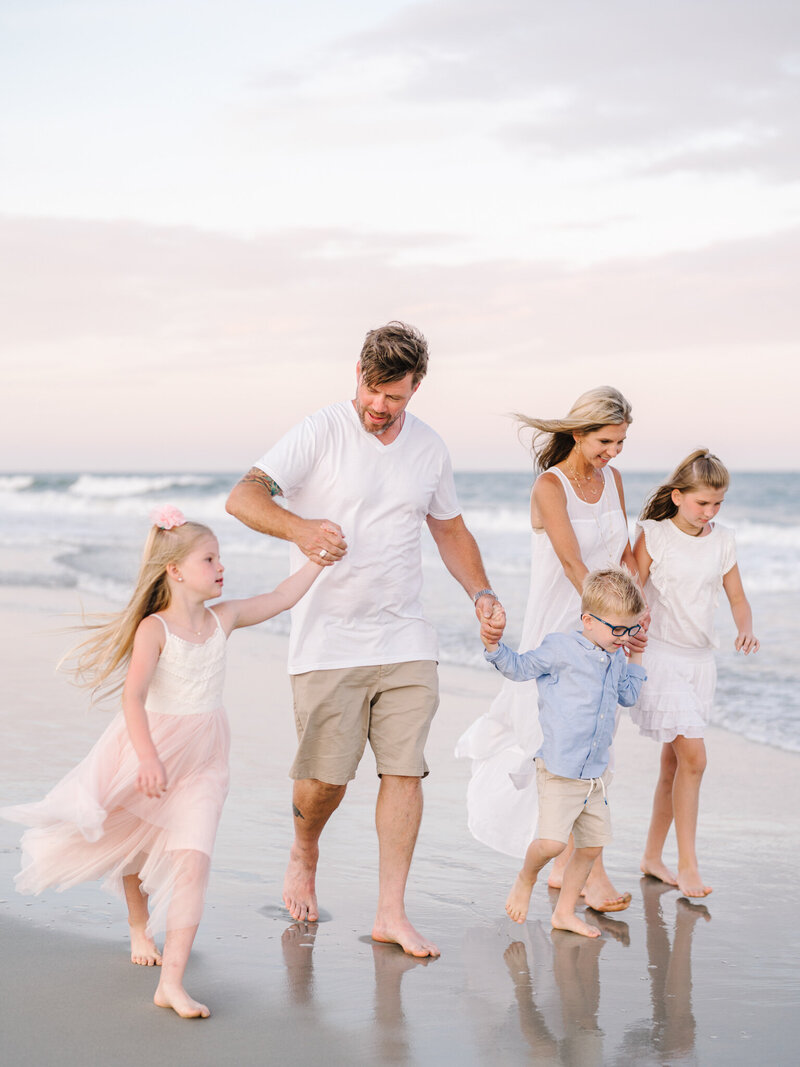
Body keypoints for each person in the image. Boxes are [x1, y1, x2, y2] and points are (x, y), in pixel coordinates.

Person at [225, 320, 503, 958]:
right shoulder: (321, 430)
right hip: (328, 639)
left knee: (405, 771)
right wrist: (298, 528)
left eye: (396, 397)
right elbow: (243, 496)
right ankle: (304, 848)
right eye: (374, 391)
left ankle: (390, 913)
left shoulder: (430, 447)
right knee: (325, 779)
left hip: (406, 633)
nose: (381, 407)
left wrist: (482, 593)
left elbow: (451, 530)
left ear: (416, 389)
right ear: (358, 374)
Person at [1, 507, 325, 1018]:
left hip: (205, 758)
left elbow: (281, 597)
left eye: (221, 558)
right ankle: (137, 924)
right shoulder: (154, 629)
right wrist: (148, 757)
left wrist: (319, 559)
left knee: (192, 861)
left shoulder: (227, 617)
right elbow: (132, 699)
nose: (221, 567)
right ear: (175, 570)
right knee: (133, 842)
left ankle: (171, 983)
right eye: (210, 558)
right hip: (146, 747)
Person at [456, 386, 644, 913]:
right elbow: (571, 565)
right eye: (606, 440)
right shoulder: (550, 486)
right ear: (579, 432)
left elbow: (623, 552)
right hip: (570, 624)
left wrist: (632, 617)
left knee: (597, 734)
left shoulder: (614, 479)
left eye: (622, 442)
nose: (614, 452)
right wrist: (603, 624)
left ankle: (570, 866)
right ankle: (584, 869)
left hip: (607, 623)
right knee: (555, 734)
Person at [480, 568, 647, 936]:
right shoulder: (560, 648)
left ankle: (565, 912)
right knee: (554, 843)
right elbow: (520, 668)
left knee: (591, 847)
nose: (623, 637)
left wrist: (636, 658)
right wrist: (494, 646)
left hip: (595, 776)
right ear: (587, 620)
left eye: (630, 629)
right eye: (616, 629)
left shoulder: (617, 654)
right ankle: (526, 877)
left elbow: (628, 696)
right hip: (559, 768)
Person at [631, 449, 759, 898]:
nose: (711, 512)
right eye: (703, 503)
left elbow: (737, 596)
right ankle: (688, 865)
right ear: (678, 495)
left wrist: (746, 628)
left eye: (718, 504)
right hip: (660, 658)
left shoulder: (722, 540)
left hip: (700, 663)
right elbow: (633, 586)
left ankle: (651, 856)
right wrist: (636, 618)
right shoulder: (653, 535)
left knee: (674, 762)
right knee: (696, 759)